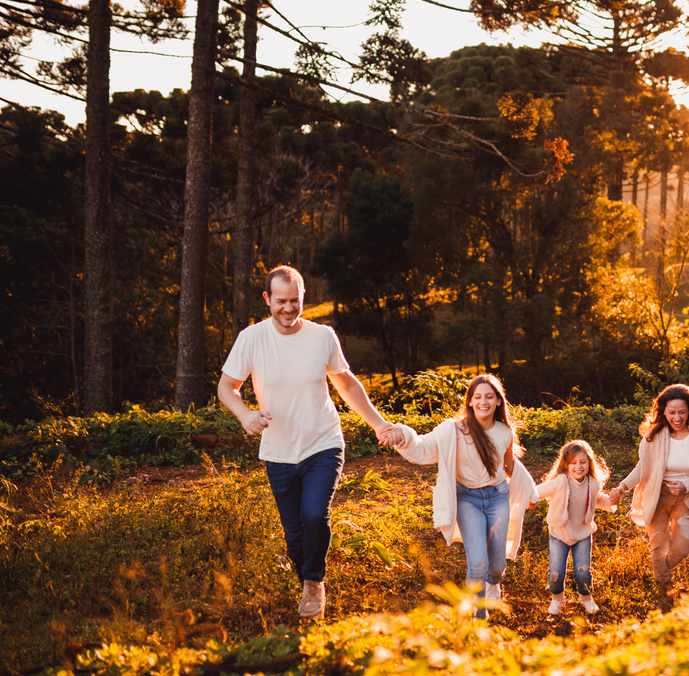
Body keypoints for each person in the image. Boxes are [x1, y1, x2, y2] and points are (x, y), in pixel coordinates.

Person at [217, 265, 403, 620]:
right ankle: (308, 575)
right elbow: (227, 387)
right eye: (281, 301)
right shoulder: (252, 338)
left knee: (315, 514)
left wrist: (379, 424)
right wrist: (245, 416)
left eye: (295, 301)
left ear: (304, 298)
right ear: (267, 299)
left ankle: (314, 584)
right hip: (278, 451)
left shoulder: (322, 336)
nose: (288, 309)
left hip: (323, 442)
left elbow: (346, 383)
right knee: (294, 534)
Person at [392, 373, 537, 619]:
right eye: (477, 396)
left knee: (497, 565)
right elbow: (422, 449)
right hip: (467, 499)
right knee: (477, 563)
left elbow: (510, 467)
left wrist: (531, 491)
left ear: (498, 402)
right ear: (469, 401)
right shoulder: (453, 430)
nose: (484, 401)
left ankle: (495, 582)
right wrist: (402, 434)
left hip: (498, 497)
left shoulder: (504, 432)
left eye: (489, 396)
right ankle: (477, 620)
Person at [609, 384, 689, 612]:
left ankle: (659, 575)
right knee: (658, 547)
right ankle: (664, 595)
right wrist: (623, 487)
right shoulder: (654, 436)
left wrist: (687, 484)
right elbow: (643, 468)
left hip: (687, 498)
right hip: (657, 497)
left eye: (681, 412)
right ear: (663, 412)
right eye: (671, 413)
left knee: (681, 550)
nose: (676, 417)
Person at [532, 439, 617, 615]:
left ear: (589, 463)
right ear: (565, 465)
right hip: (559, 534)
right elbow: (537, 492)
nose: (578, 466)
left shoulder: (592, 484)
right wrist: (529, 499)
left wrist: (613, 500)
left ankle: (586, 599)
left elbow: (599, 499)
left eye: (583, 462)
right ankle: (557, 599)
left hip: (583, 534)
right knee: (556, 574)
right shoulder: (560, 481)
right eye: (573, 463)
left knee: (582, 573)